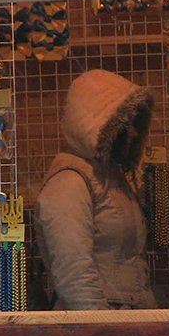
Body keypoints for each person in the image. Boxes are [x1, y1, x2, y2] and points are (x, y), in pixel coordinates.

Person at [34, 69, 158, 310]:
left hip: (126, 318)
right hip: (107, 321)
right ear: (98, 127)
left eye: (136, 123)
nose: (133, 132)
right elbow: (73, 274)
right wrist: (102, 327)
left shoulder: (110, 178)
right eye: (125, 124)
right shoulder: (70, 183)